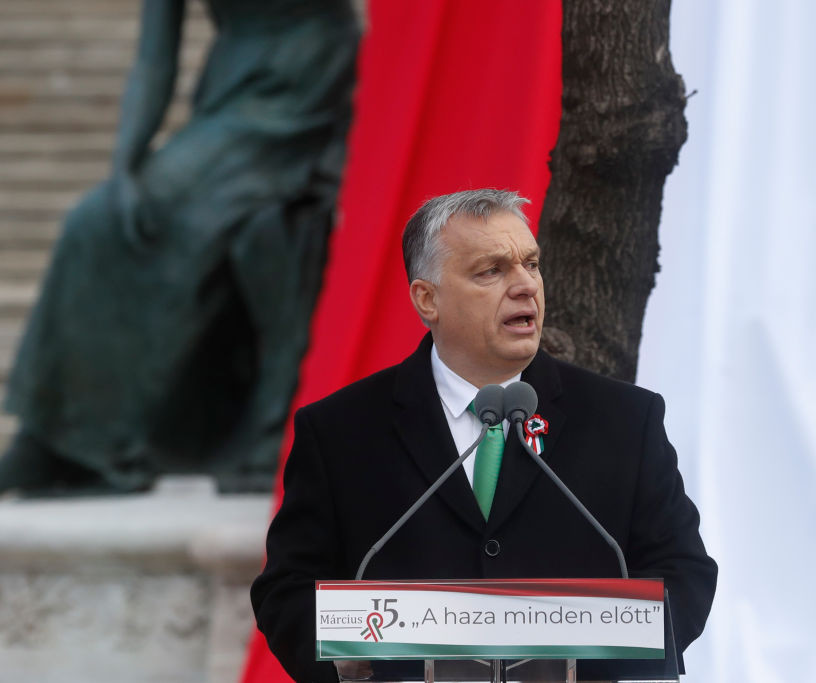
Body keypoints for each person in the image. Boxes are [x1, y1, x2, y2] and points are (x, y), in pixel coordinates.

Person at [251, 189, 717, 681]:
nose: (525, 286)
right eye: (491, 271)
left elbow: (683, 572)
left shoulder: (624, 420)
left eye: (531, 265)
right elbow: (286, 589)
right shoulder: (341, 430)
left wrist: (609, 645)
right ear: (427, 299)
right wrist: (349, 652)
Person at [0, 0, 360, 495]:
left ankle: (76, 443)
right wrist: (126, 162)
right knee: (96, 219)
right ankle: (58, 437)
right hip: (230, 89)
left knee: (170, 219)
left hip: (308, 84)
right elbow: (154, 57)